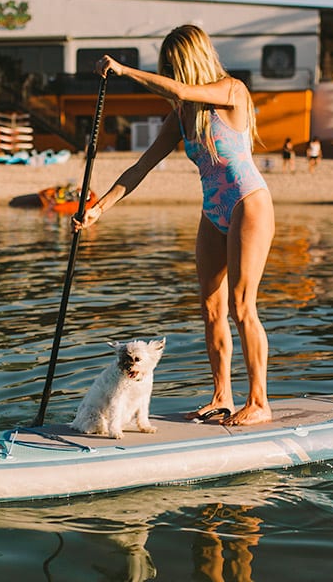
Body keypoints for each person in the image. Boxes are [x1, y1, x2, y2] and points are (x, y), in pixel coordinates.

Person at [75, 24, 275, 427]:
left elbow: (182, 90)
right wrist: (100, 208)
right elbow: (140, 167)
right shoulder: (182, 116)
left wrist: (125, 71)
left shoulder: (232, 90)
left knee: (241, 306)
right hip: (213, 212)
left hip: (248, 203)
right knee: (210, 306)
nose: (170, 74)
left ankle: (259, 402)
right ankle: (222, 396)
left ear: (189, 60)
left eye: (172, 65)